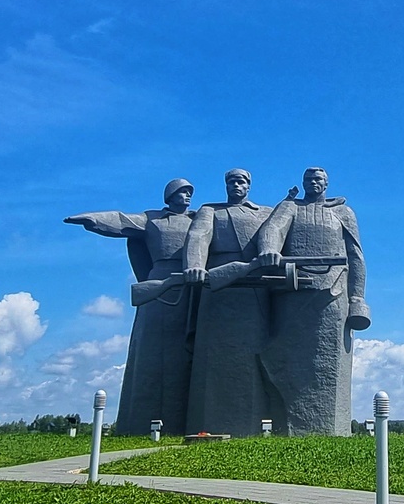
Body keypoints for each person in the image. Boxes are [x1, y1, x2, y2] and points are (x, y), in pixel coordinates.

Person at [64, 178, 198, 435]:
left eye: (190, 192)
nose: (187, 196)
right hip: (160, 284)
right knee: (152, 352)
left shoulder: (198, 219)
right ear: (169, 196)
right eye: (182, 192)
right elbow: (120, 220)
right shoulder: (152, 219)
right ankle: (144, 422)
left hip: (193, 287)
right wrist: (90, 219)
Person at [253, 167, 369, 435]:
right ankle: (292, 427)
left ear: (326, 183)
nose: (313, 183)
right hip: (293, 292)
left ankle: (330, 430)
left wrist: (357, 298)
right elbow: (272, 230)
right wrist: (269, 250)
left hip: (333, 291)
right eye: (308, 179)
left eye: (318, 179)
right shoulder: (290, 208)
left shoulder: (343, 213)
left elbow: (356, 258)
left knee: (329, 367)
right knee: (286, 359)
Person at [181, 168, 277, 436]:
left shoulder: (265, 213)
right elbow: (197, 238)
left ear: (249, 185)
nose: (237, 185)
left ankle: (256, 423)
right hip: (217, 286)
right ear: (225, 185)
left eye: (242, 181)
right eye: (232, 181)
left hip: (253, 289)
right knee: (212, 357)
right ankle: (207, 422)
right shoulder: (210, 210)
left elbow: (277, 236)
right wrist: (195, 266)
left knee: (253, 354)